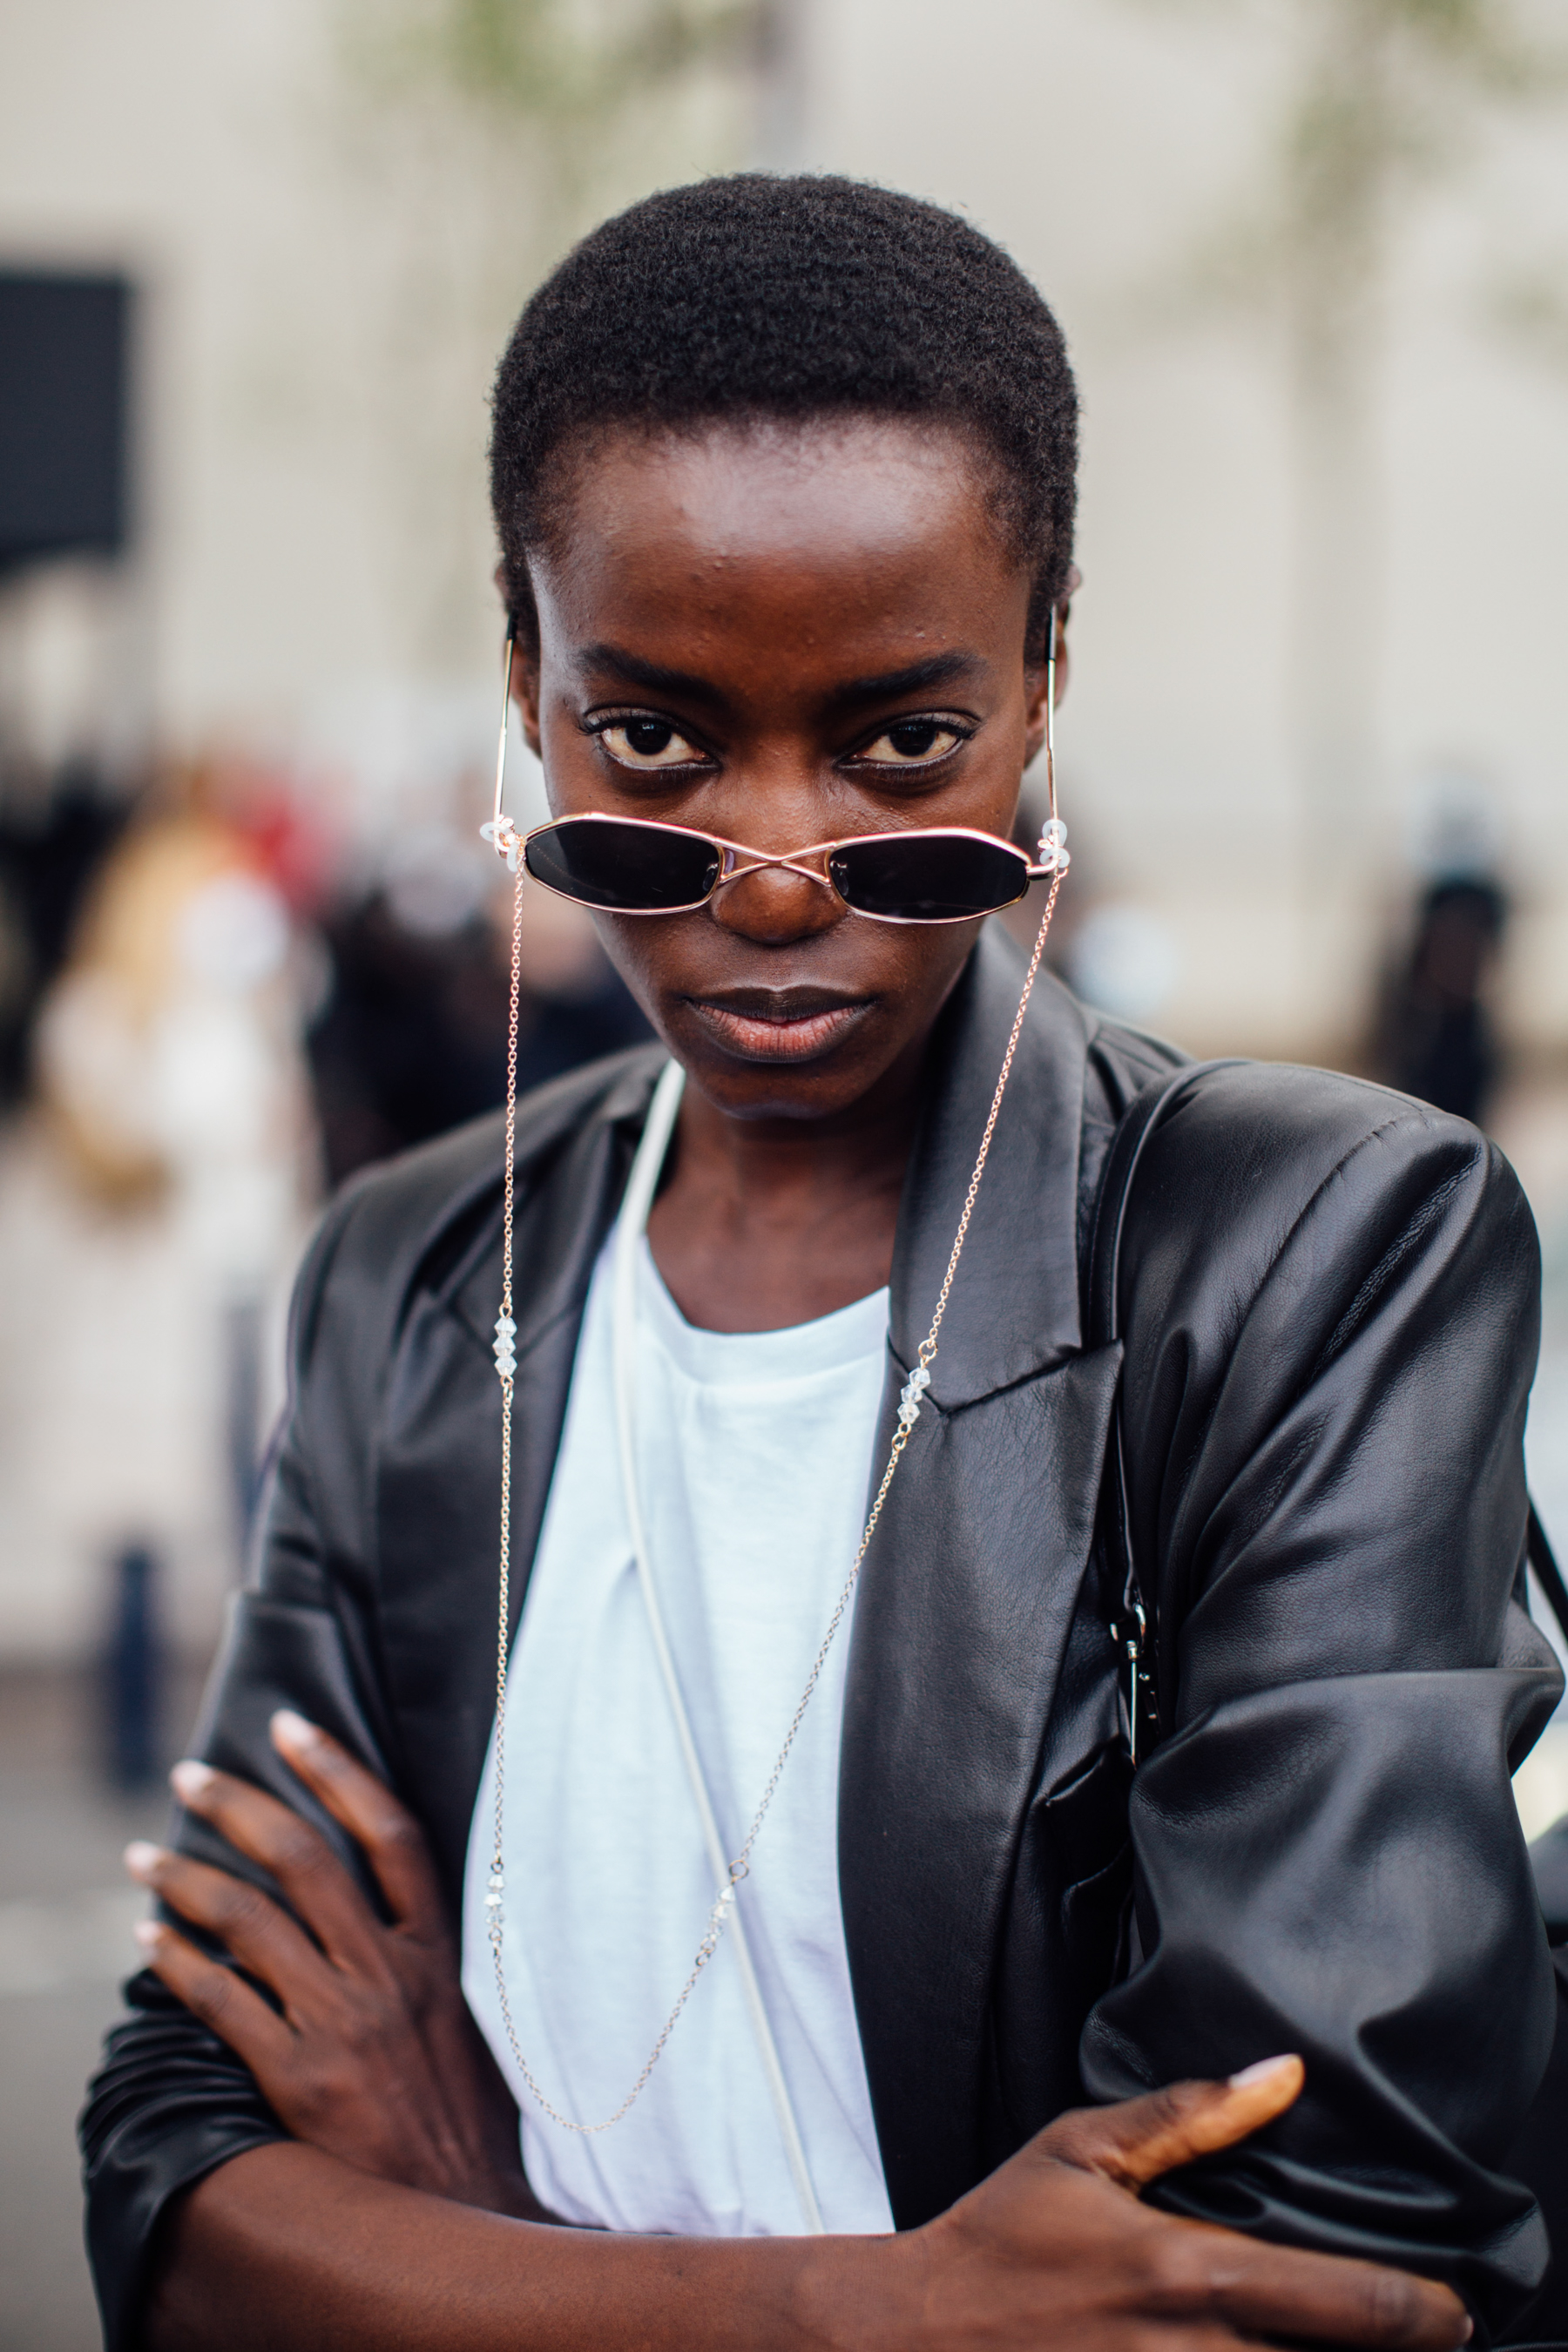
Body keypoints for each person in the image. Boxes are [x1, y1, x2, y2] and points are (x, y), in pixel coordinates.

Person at [81, 175, 1559, 2351]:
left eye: (901, 747)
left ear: (1045, 676)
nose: (777, 879)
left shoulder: (1307, 1250)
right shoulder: (404, 1285)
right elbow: (182, 2173)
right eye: (654, 744)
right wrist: (872, 2305)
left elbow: (1301, 2254)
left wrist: (485, 2234)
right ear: (528, 673)